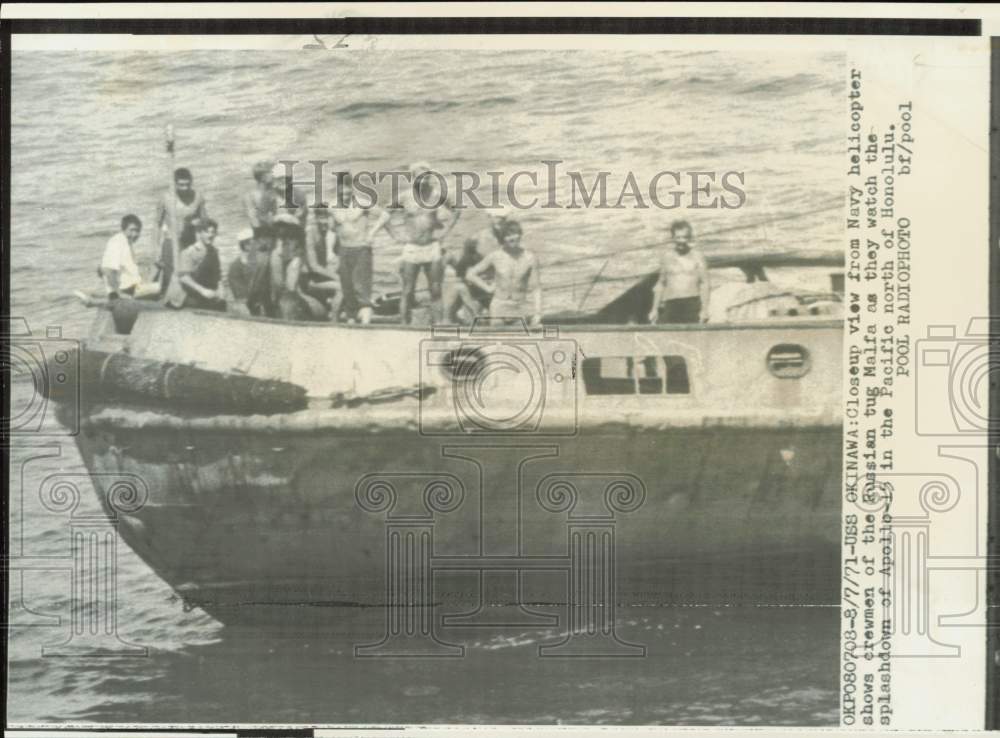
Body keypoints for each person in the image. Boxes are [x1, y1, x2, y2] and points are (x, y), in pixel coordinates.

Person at [384, 162, 459, 325]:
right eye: (419, 177)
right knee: (408, 290)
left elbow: (457, 209)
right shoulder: (404, 196)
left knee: (435, 289)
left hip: (432, 247)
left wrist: (445, 231)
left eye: (426, 177)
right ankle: (404, 326)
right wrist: (395, 235)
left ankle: (438, 325)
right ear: (413, 178)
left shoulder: (436, 195)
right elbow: (385, 214)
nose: (423, 181)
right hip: (412, 248)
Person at [331, 173, 387, 325]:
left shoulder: (362, 202)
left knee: (361, 288)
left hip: (361, 248)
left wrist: (371, 233)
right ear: (338, 188)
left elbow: (384, 215)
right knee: (347, 287)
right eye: (342, 189)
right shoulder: (333, 205)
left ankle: (365, 323)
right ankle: (350, 320)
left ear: (352, 188)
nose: (345, 192)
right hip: (344, 250)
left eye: (348, 188)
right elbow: (333, 229)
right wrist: (332, 252)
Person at [465, 219, 542, 326]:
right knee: (497, 340)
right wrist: (488, 288)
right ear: (503, 239)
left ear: (520, 234)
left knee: (519, 340)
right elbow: (470, 274)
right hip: (499, 307)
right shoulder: (495, 256)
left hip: (519, 306)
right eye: (508, 236)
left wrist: (537, 312)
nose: (512, 238)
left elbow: (536, 288)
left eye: (515, 234)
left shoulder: (530, 258)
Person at [155, 167, 209, 297]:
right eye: (181, 185)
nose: (185, 188)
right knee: (170, 278)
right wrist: (157, 249)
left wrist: (199, 222)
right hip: (170, 241)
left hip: (190, 241)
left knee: (189, 277)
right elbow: (157, 224)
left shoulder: (198, 197)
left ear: (191, 182)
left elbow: (206, 220)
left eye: (187, 184)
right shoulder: (166, 198)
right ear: (174, 183)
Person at [649, 219, 710, 324]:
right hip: (671, 304)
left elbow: (705, 283)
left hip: (692, 303)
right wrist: (654, 309)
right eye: (678, 237)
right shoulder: (666, 257)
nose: (682, 240)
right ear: (672, 238)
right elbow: (661, 284)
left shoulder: (697, 256)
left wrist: (704, 309)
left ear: (690, 238)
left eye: (685, 237)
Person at [165, 219, 225, 311]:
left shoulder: (213, 252)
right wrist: (203, 291)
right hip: (182, 295)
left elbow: (217, 275)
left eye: (213, 232)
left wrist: (221, 290)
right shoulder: (189, 252)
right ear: (199, 233)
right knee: (207, 306)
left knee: (221, 303)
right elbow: (184, 278)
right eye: (206, 232)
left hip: (196, 290)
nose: (210, 235)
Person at [99, 214, 159, 299]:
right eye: (131, 230)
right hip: (126, 291)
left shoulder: (126, 242)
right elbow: (108, 270)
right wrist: (117, 294)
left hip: (131, 288)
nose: (134, 234)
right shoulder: (117, 242)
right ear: (123, 229)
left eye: (137, 231)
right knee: (164, 287)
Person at [300, 207, 342, 320]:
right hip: (309, 281)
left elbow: (338, 255)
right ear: (316, 218)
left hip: (318, 278)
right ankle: (334, 321)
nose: (325, 222)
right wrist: (335, 276)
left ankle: (333, 311)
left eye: (327, 218)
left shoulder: (326, 233)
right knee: (342, 286)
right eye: (321, 218)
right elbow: (314, 266)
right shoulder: (310, 234)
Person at [444, 237, 492, 324]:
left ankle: (448, 317)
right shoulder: (479, 257)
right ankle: (451, 316)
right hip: (481, 289)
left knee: (458, 288)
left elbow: (460, 275)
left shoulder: (466, 259)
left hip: (476, 291)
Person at [226, 227, 270, 316]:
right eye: (256, 242)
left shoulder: (259, 263)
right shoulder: (235, 267)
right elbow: (241, 298)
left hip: (259, 305)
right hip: (246, 309)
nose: (260, 245)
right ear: (246, 245)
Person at [244, 160, 279, 243]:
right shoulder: (250, 196)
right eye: (271, 173)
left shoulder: (274, 193)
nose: (274, 176)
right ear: (263, 177)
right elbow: (255, 222)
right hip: (262, 239)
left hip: (274, 236)